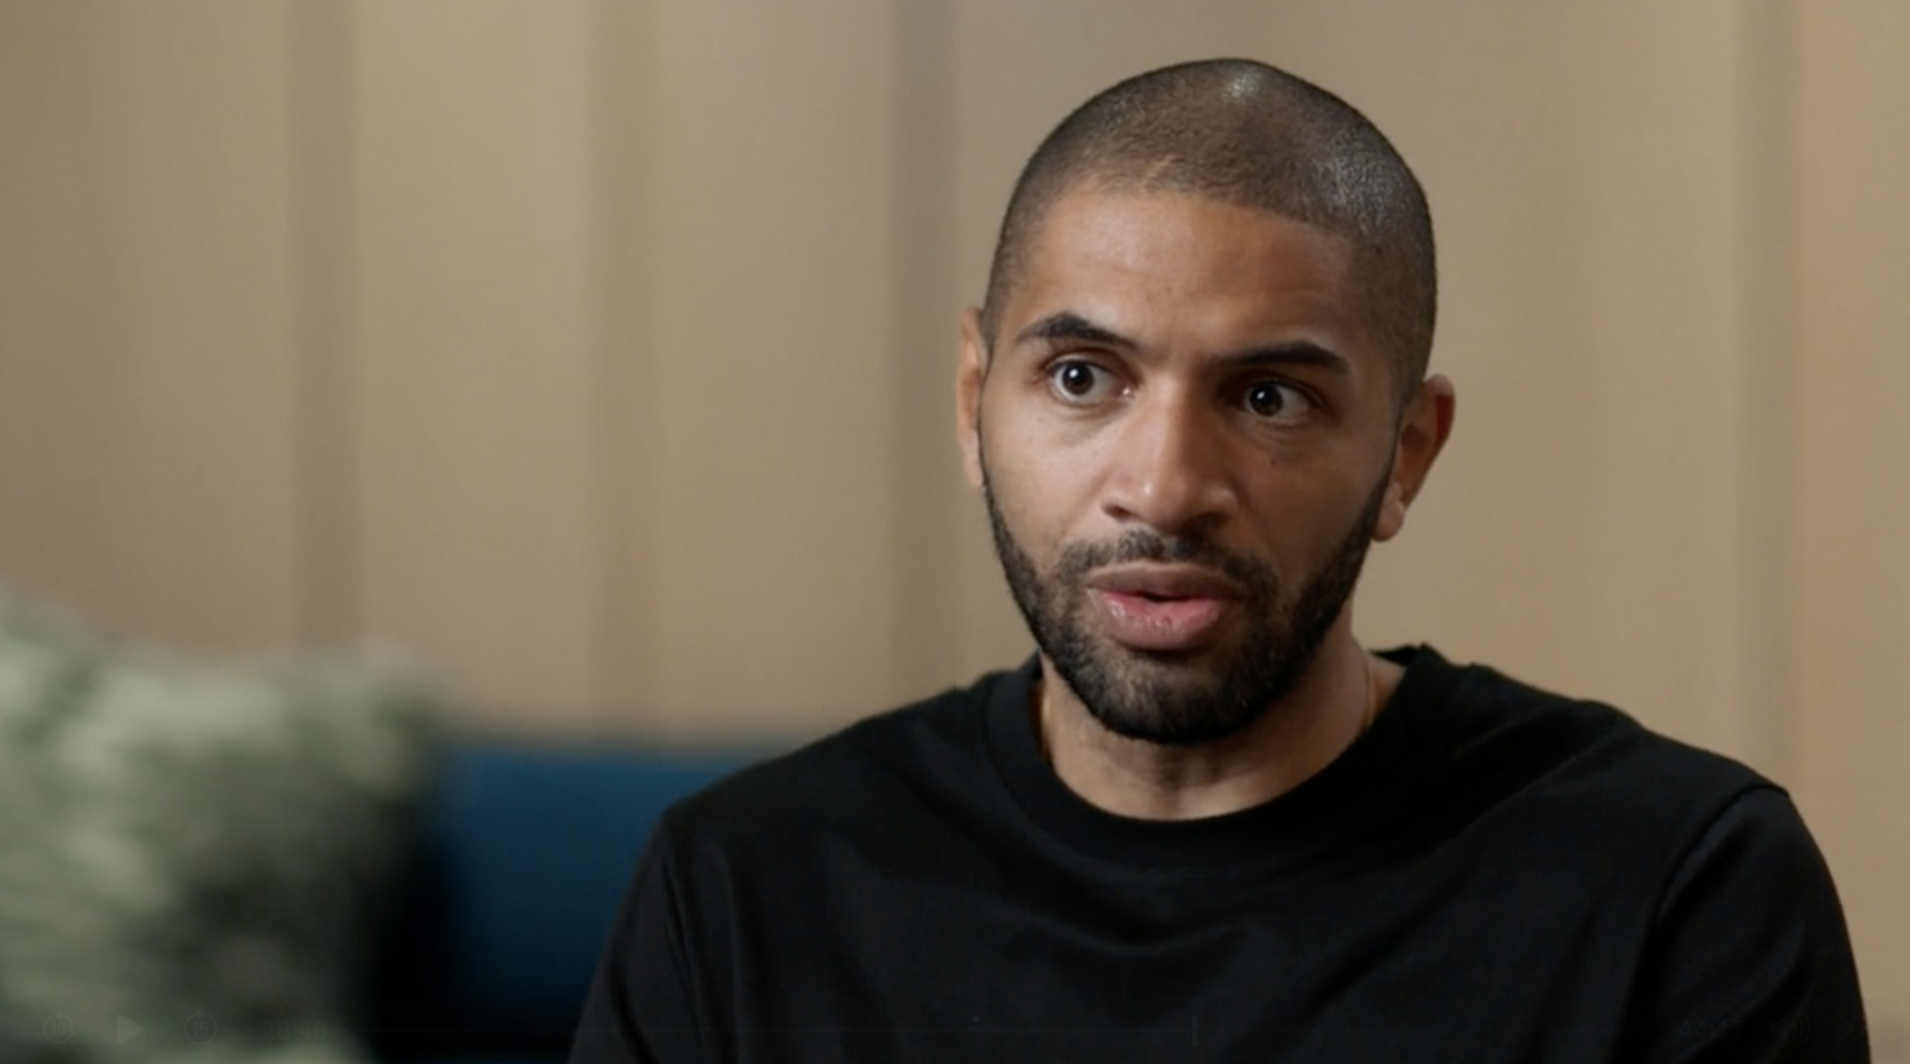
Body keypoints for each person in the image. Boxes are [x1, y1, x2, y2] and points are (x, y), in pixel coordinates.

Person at [570, 58, 1868, 1063]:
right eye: (1082, 378)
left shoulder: (1673, 886)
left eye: (1267, 398)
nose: (1163, 488)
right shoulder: (744, 888)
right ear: (973, 402)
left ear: (1404, 455)